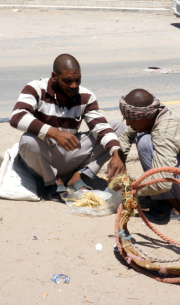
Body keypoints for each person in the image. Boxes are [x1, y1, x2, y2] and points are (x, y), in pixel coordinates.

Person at [10, 54, 126, 201]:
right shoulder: (36, 89)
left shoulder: (85, 96)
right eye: (67, 81)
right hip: (42, 157)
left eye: (77, 80)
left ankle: (78, 177)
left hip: (69, 154)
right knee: (28, 141)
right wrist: (54, 133)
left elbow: (100, 127)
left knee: (118, 128)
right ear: (54, 76)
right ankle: (53, 182)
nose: (73, 86)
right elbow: (17, 117)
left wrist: (116, 153)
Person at [116, 89, 180, 223]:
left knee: (144, 143)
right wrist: (119, 157)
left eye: (130, 119)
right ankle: (164, 199)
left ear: (145, 116)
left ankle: (178, 208)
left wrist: (130, 188)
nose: (128, 123)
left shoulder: (164, 132)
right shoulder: (154, 115)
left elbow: (162, 183)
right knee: (140, 134)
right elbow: (126, 135)